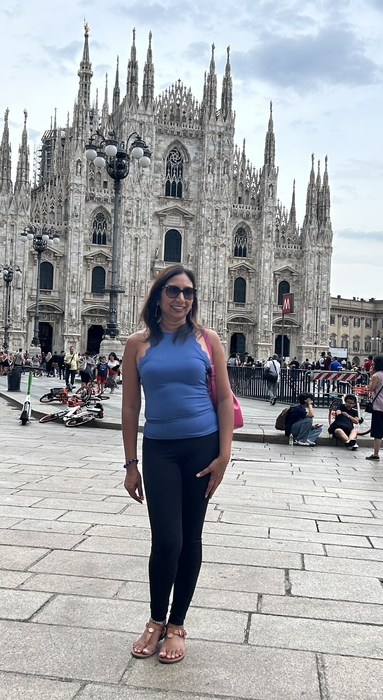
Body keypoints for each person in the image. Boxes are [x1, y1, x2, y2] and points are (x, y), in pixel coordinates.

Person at [121, 265, 233, 664]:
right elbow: (131, 405)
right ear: (158, 296)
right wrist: (131, 463)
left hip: (202, 447)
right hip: (160, 449)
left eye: (188, 292)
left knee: (191, 539)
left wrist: (224, 455)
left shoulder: (208, 340)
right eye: (173, 291)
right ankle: (155, 619)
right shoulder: (137, 344)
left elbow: (223, 398)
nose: (181, 299)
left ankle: (176, 624)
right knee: (167, 539)